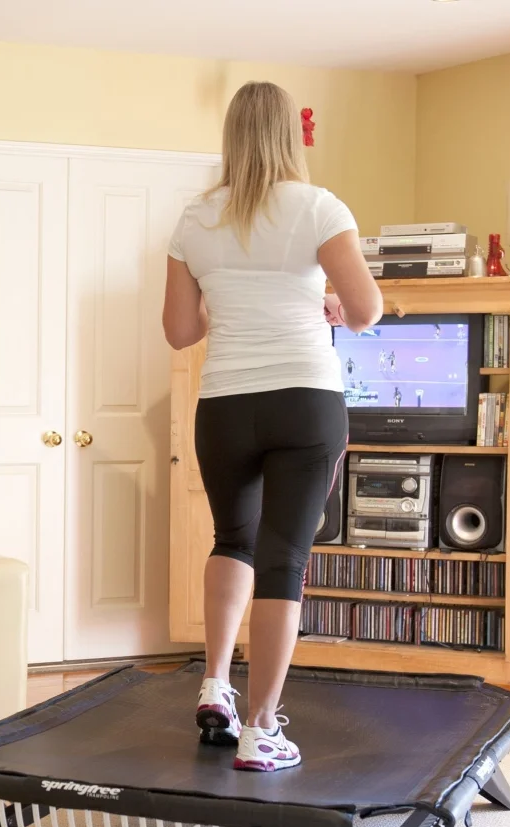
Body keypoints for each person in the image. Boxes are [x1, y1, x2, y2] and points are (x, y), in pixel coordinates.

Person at [162, 80, 383, 772]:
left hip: (226, 401)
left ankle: (216, 686)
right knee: (283, 560)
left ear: (231, 137)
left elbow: (178, 331)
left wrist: (226, 302)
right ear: (293, 136)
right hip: (304, 400)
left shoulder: (195, 220)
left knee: (233, 539)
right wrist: (334, 311)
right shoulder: (318, 208)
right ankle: (261, 729)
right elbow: (366, 307)